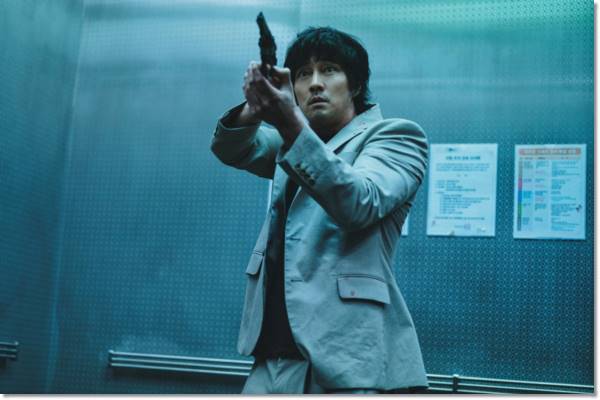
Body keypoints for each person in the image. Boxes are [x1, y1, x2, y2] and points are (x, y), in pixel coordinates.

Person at [211, 26, 428, 394]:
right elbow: (231, 148)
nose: (314, 84)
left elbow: (359, 202)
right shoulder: (291, 141)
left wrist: (289, 121)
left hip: (346, 362)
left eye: (329, 70)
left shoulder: (396, 136)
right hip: (270, 356)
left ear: (355, 85)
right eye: (302, 74)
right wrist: (255, 106)